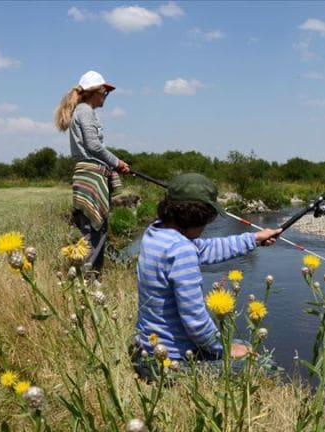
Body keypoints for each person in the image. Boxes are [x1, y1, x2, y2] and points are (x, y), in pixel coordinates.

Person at [133, 173, 281, 369]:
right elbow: (195, 321)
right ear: (198, 216)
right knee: (263, 364)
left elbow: (204, 248)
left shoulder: (156, 233)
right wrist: (225, 348)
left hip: (147, 349)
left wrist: (254, 239)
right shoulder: (181, 250)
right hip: (170, 361)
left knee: (244, 345)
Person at [54, 70, 130, 275]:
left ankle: (84, 276)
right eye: (104, 92)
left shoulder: (81, 111)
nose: (105, 96)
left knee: (90, 228)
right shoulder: (85, 111)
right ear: (94, 92)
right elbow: (94, 146)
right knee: (95, 229)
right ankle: (89, 279)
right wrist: (117, 163)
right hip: (91, 176)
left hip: (85, 176)